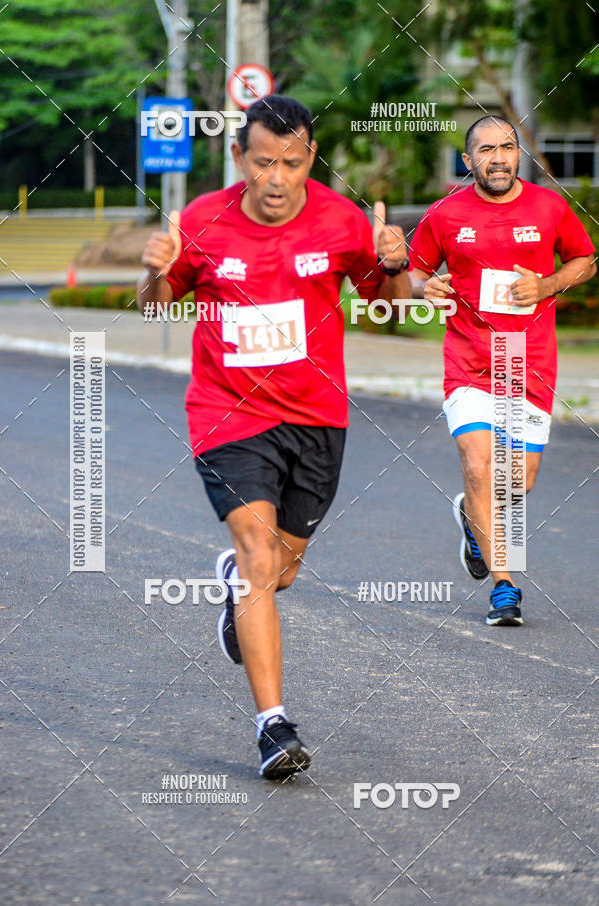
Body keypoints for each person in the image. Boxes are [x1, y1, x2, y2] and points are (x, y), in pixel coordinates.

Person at [136, 95, 410, 779]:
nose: (278, 178)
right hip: (229, 412)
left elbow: (394, 307)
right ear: (240, 159)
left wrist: (395, 264)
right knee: (259, 554)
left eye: (291, 162)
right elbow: (154, 306)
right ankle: (272, 726)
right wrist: (154, 271)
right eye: (263, 163)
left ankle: (235, 582)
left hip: (318, 419)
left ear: (311, 158)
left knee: (281, 570)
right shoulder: (202, 220)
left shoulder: (342, 221)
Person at [408, 115, 595, 626]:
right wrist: (426, 287)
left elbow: (585, 259)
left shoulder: (548, 205)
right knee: (477, 465)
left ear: (518, 155)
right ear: (468, 162)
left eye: (507, 147)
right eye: (486, 150)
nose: (498, 157)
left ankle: (471, 518)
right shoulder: (446, 214)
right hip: (468, 358)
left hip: (529, 363)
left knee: (517, 481)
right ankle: (504, 587)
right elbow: (415, 272)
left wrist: (549, 284)